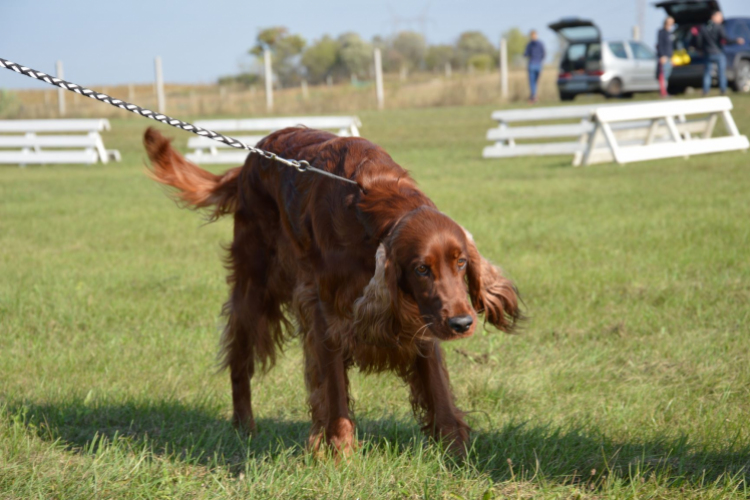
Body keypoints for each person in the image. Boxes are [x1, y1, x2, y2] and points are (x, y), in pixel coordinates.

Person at [692, 10, 745, 95]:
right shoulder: (719, 27)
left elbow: (699, 41)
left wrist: (700, 50)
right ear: (713, 17)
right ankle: (723, 90)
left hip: (708, 54)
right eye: (719, 16)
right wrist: (736, 41)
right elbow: (726, 40)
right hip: (718, 53)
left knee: (707, 73)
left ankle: (705, 91)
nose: (721, 18)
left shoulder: (703, 27)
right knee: (721, 72)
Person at [523, 30, 545, 103]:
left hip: (533, 64)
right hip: (538, 64)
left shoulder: (530, 44)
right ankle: (534, 96)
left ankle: (534, 96)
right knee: (535, 82)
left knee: (533, 82)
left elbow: (526, 54)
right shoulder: (540, 44)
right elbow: (544, 54)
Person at [656, 16, 675, 98]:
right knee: (663, 75)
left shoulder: (670, 33)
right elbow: (660, 45)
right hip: (664, 57)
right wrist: (662, 55)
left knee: (667, 75)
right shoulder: (662, 32)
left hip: (669, 57)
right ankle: (663, 93)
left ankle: (665, 91)